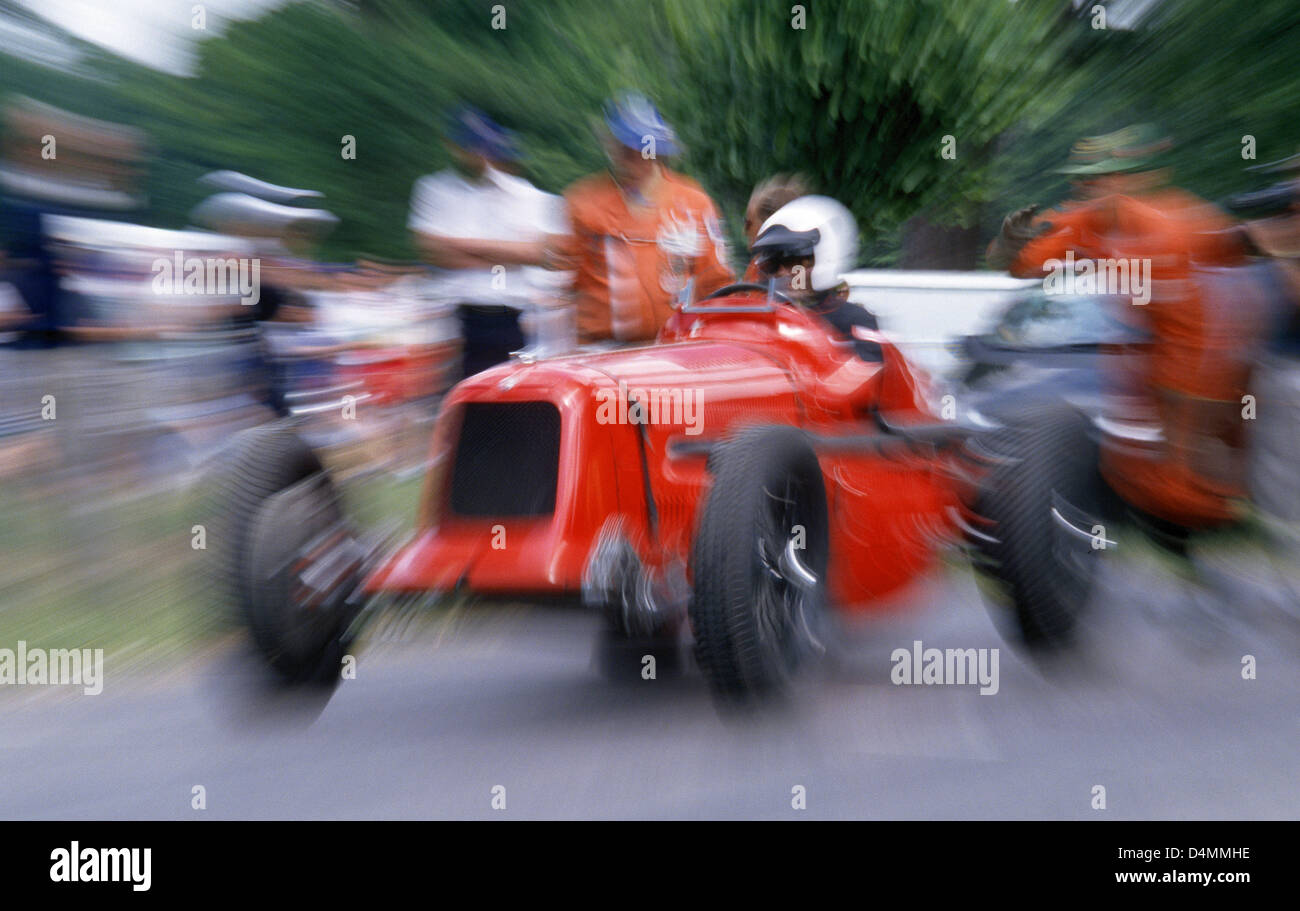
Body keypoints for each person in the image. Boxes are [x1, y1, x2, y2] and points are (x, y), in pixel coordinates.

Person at [989, 124, 1253, 532]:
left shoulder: (1177, 223)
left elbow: (1237, 281)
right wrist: (1008, 243)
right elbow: (1016, 265)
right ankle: (1161, 519)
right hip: (1145, 348)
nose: (1087, 185)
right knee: (1138, 459)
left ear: (1134, 178)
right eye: (1083, 177)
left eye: (1099, 175)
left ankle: (1212, 518)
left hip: (1203, 348)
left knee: (1191, 454)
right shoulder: (1083, 222)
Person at [561, 92, 733, 344]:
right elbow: (564, 282)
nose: (633, 156)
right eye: (624, 147)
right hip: (601, 352)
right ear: (609, 144)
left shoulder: (694, 203)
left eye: (642, 148)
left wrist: (718, 342)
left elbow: (717, 283)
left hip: (674, 350)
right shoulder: (582, 202)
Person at [408, 106, 567, 377]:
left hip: (511, 318)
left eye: (483, 148)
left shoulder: (525, 196)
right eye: (470, 146)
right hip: (457, 320)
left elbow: (536, 253)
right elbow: (432, 252)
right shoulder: (434, 189)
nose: (480, 155)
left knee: (508, 398)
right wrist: (505, 253)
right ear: (454, 146)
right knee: (463, 402)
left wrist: (461, 245)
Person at [749, 195, 879, 360]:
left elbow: (869, 376)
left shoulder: (856, 320)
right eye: (774, 263)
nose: (782, 272)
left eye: (792, 260)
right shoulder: (762, 319)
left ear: (824, 256)